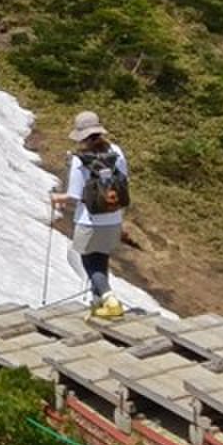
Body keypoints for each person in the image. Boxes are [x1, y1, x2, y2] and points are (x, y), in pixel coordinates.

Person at [50, 110, 129, 320]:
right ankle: (98, 304)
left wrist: (58, 198)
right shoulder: (117, 152)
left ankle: (109, 299)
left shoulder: (80, 160)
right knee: (101, 257)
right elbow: (124, 182)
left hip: (89, 219)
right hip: (113, 216)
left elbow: (75, 195)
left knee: (89, 261)